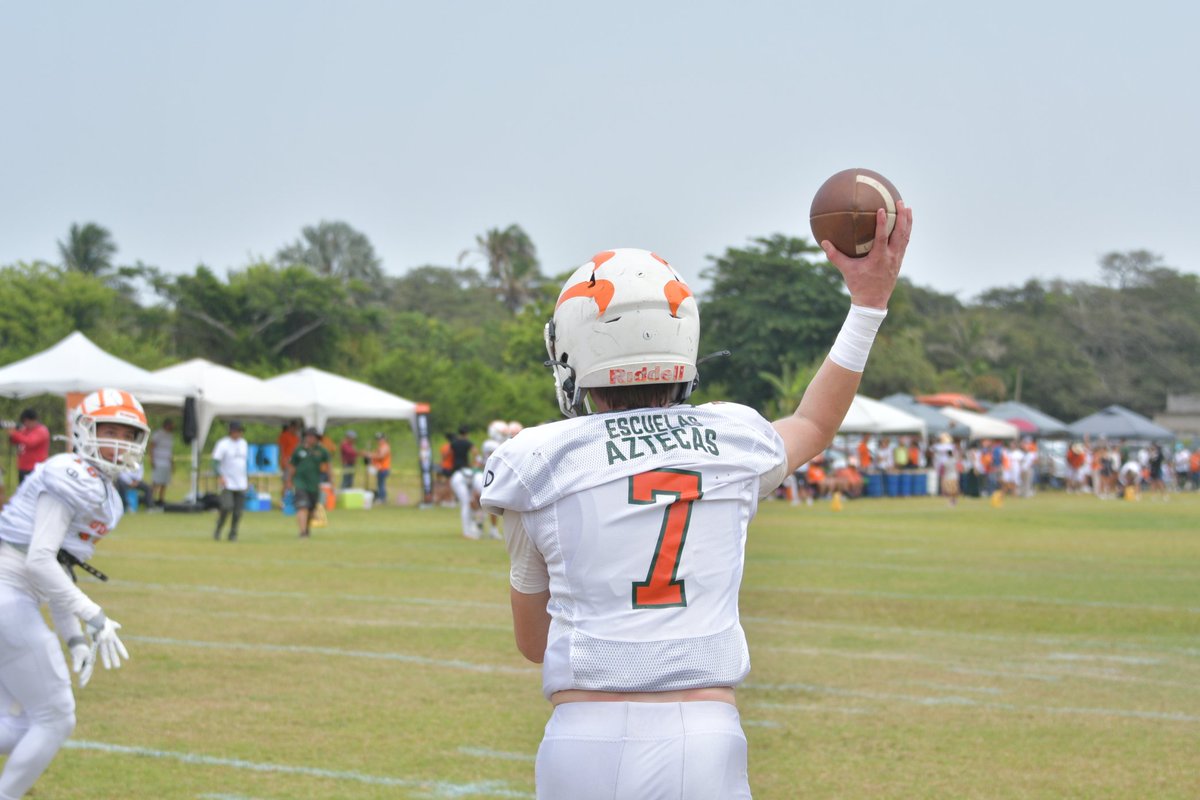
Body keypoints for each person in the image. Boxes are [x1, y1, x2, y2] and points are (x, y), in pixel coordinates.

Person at [481, 205, 911, 800]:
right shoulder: (729, 440)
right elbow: (813, 420)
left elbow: (534, 643)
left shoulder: (538, 459)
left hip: (584, 737)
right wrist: (868, 304)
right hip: (702, 733)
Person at [0, 388, 146, 799]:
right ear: (85, 431)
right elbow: (39, 561)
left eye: (127, 433)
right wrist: (94, 617)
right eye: (109, 429)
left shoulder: (104, 491)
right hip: (8, 593)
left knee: (20, 723)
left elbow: (56, 570)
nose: (119, 441)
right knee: (55, 719)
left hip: (13, 595)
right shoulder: (72, 473)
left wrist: (75, 636)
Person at [285, 428, 330, 538]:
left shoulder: (321, 451)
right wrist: (289, 480)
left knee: (311, 508)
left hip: (314, 484)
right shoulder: (299, 450)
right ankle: (302, 531)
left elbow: (328, 467)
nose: (310, 438)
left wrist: (330, 481)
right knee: (302, 506)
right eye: (308, 436)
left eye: (312, 436)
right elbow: (292, 466)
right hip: (300, 482)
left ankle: (306, 528)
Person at [211, 420, 249, 542]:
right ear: (231, 431)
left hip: (241, 482)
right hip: (227, 481)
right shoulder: (223, 444)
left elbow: (244, 463)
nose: (239, 433)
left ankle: (233, 533)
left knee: (238, 511)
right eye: (237, 431)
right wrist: (220, 475)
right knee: (226, 507)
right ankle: (218, 528)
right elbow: (215, 462)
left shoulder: (244, 443)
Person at [8, 410, 51, 485]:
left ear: (32, 420)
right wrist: (12, 435)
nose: (25, 424)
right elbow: (15, 441)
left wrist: (15, 434)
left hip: (35, 468)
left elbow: (30, 442)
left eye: (26, 422)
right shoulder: (25, 430)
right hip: (23, 467)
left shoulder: (41, 430)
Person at [148, 418, 175, 508]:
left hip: (166, 462)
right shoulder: (158, 434)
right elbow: (151, 446)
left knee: (164, 482)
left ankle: (161, 500)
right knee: (156, 482)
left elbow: (170, 451)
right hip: (158, 461)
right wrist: (152, 459)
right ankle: (150, 499)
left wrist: (172, 463)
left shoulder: (170, 436)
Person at [366, 432, 391, 507]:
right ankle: (382, 497)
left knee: (381, 484)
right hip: (379, 468)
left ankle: (382, 498)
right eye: (377, 439)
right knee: (380, 484)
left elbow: (381, 456)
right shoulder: (380, 447)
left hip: (384, 468)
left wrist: (371, 455)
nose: (378, 440)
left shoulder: (385, 446)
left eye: (380, 439)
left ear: (384, 439)